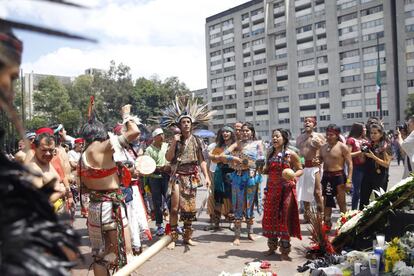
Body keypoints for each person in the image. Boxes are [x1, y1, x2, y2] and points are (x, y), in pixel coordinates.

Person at [79, 104, 140, 274]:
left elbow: (83, 184)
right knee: (123, 253)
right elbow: (134, 132)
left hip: (95, 207)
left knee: (100, 256)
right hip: (109, 207)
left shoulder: (83, 154)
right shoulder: (103, 146)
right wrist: (126, 115)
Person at [161, 96, 212, 250]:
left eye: (188, 122)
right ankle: (173, 238)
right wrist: (175, 142)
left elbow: (202, 160)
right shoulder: (175, 140)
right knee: (175, 208)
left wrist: (207, 176)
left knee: (189, 209)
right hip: (177, 176)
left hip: (192, 177)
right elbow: (168, 158)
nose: (186, 124)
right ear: (179, 125)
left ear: (192, 125)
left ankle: (187, 237)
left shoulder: (197, 141)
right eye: (183, 122)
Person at [221, 122, 265, 245]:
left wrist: (254, 167)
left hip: (251, 177)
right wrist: (234, 159)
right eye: (243, 130)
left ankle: (250, 233)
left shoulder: (258, 143)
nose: (245, 133)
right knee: (237, 204)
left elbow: (262, 159)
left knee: (250, 204)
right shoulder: (237, 144)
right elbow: (222, 155)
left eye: (248, 130)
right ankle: (237, 235)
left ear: (252, 132)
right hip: (238, 177)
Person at [262, 129, 303, 259]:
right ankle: (271, 247)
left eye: (277, 136)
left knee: (284, 218)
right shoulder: (270, 153)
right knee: (271, 217)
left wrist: (292, 176)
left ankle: (285, 251)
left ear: (284, 139)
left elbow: (300, 169)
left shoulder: (291, 154)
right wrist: (263, 169)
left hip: (286, 190)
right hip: (272, 190)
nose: (274, 138)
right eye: (273, 136)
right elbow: (267, 171)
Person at [320, 124, 353, 228]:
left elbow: (350, 164)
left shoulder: (342, 147)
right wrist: (317, 160)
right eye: (327, 134)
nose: (328, 137)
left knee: (341, 202)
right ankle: (327, 223)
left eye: (331, 135)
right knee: (327, 202)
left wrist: (349, 181)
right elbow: (320, 158)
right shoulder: (323, 147)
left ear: (337, 135)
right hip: (326, 177)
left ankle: (344, 224)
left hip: (339, 177)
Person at [26, 131, 68, 208]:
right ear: (35, 148)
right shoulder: (33, 169)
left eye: (51, 150)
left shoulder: (46, 161)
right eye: (44, 150)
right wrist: (61, 192)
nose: (48, 154)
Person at [296, 116, 325, 222]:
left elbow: (325, 150)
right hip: (303, 167)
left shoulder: (319, 136)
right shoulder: (300, 137)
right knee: (304, 193)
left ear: (314, 124)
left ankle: (320, 216)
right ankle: (307, 216)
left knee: (317, 192)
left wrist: (320, 146)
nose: (307, 123)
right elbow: (297, 152)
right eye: (305, 121)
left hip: (315, 167)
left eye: (310, 122)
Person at [208, 126, 236, 230]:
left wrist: (220, 158)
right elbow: (214, 159)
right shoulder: (219, 145)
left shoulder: (236, 146)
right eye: (223, 131)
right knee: (218, 198)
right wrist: (217, 157)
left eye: (228, 131)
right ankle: (216, 222)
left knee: (233, 199)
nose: (225, 133)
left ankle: (233, 222)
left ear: (231, 133)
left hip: (232, 173)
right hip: (219, 174)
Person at [359, 123, 392, 210]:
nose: (372, 135)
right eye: (371, 133)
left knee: (379, 199)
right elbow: (362, 161)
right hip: (367, 175)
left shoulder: (385, 146)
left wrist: (373, 157)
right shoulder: (368, 145)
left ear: (381, 134)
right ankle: (363, 221)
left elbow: (386, 164)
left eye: (375, 133)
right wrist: (362, 153)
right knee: (363, 199)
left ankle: (380, 221)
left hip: (380, 176)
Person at [145, 128, 170, 236]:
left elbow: (171, 158)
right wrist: (159, 168)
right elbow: (147, 165)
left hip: (166, 177)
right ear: (154, 138)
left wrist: (168, 167)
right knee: (157, 202)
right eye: (159, 135)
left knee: (170, 199)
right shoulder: (149, 150)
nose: (162, 137)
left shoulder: (166, 146)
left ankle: (173, 224)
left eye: (162, 135)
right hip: (154, 178)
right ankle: (159, 225)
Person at [346, 122, 367, 210]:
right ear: (359, 130)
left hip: (366, 167)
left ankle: (363, 209)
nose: (365, 130)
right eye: (364, 128)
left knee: (365, 190)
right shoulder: (351, 140)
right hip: (356, 168)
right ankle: (354, 210)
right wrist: (360, 152)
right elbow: (348, 154)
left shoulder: (365, 140)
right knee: (356, 191)